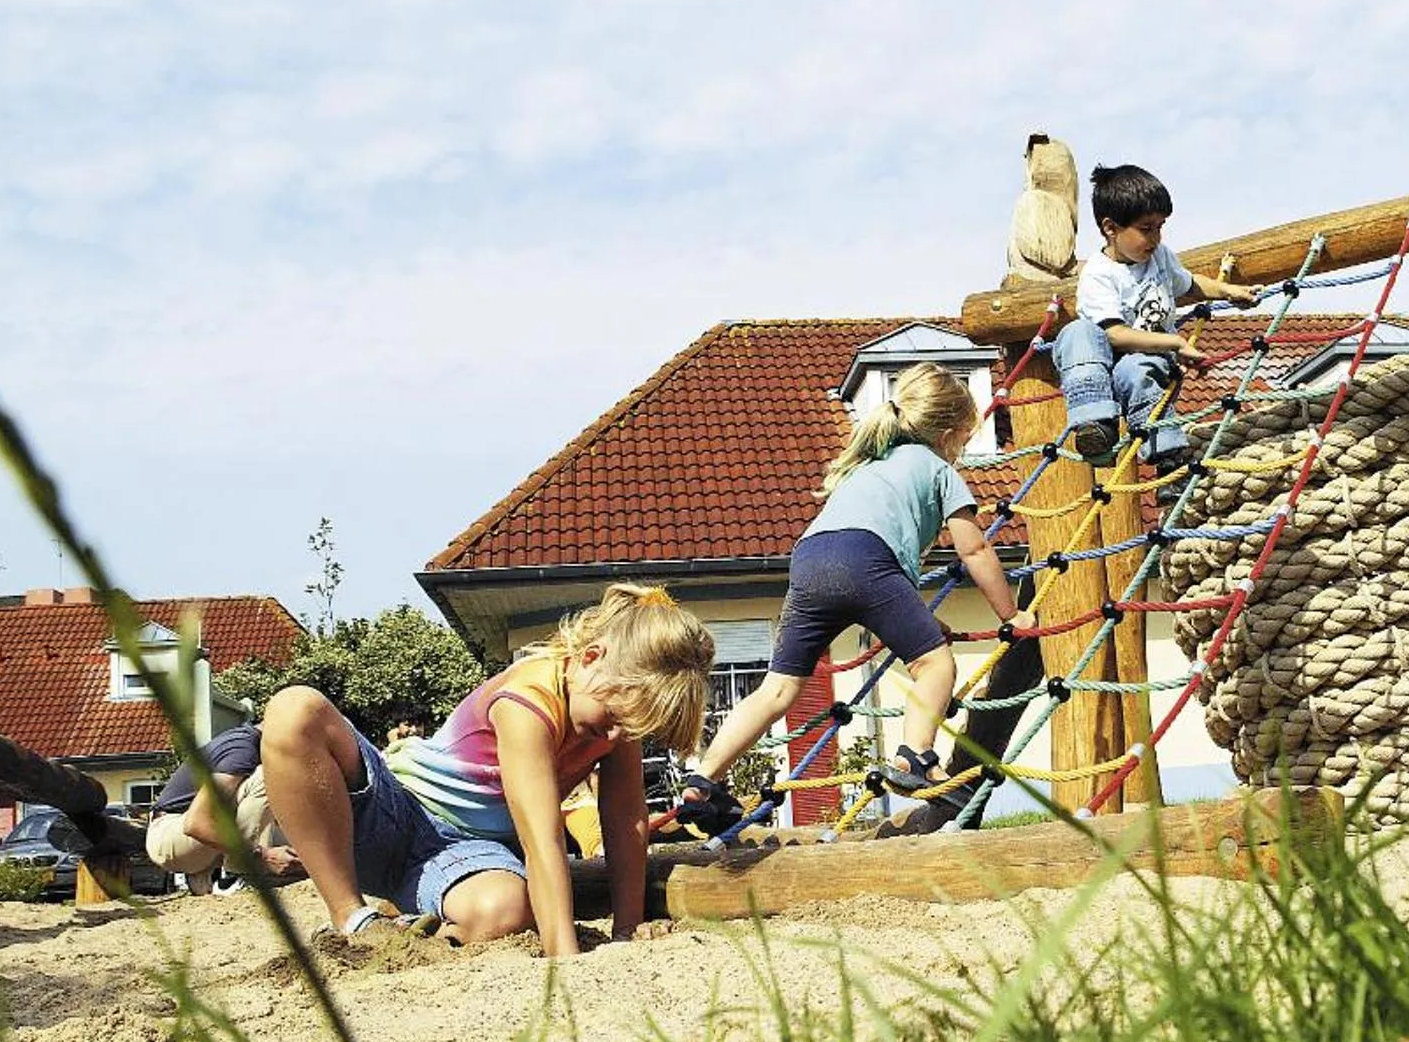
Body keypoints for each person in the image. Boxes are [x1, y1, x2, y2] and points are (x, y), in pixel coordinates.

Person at [257, 584, 713, 958]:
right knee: (295, 709)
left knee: (506, 909)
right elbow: (542, 840)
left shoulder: (618, 718)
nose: (615, 737)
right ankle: (352, 918)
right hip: (395, 812)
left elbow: (625, 822)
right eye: (611, 717)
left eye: (630, 728)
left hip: (466, 856)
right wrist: (565, 959)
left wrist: (627, 927)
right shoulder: (528, 701)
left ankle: (415, 922)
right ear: (591, 658)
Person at [673, 363, 1033, 835]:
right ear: (947, 436)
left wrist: (915, 618)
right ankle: (915, 755)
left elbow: (867, 550)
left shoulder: (868, 465)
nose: (961, 452)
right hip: (868, 563)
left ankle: (703, 778)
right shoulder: (937, 469)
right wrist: (1012, 614)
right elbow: (974, 549)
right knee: (935, 665)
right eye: (964, 442)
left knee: (778, 689)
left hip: (810, 559)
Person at [1051, 163, 1258, 474]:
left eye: (1160, 227)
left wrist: (1227, 291)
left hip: (1147, 367)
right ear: (1111, 228)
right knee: (1076, 332)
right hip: (1104, 370)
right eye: (1146, 229)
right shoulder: (1098, 274)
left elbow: (1189, 284)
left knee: (1135, 369)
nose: (1156, 237)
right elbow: (1115, 334)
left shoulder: (1159, 257)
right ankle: (1096, 428)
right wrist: (1175, 342)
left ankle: (1169, 461)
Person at [145, 723, 299, 895]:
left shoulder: (252, 746)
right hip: (170, 834)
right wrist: (265, 856)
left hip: (190, 844)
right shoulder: (243, 750)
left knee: (294, 844)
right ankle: (239, 876)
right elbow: (195, 824)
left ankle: (206, 877)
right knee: (265, 778)